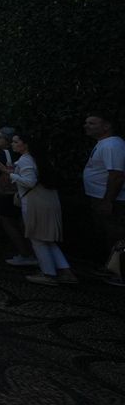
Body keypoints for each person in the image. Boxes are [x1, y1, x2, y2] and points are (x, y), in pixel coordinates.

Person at [0, 131, 76, 286]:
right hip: (47, 201)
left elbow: (29, 182)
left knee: (37, 239)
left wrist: (8, 174)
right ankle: (66, 272)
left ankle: (48, 273)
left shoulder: (26, 160)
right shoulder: (38, 159)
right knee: (48, 240)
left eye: (15, 141)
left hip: (35, 203)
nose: (12, 144)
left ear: (25, 144)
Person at [81, 111, 125, 286]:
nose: (87, 126)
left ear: (106, 126)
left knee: (117, 237)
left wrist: (108, 200)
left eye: (92, 123)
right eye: (87, 123)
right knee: (109, 235)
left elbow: (116, 175)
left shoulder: (112, 145)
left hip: (113, 200)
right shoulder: (104, 144)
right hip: (102, 198)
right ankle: (112, 268)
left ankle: (120, 273)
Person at [0, 128, 34, 266]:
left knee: (8, 222)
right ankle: (29, 252)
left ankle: (25, 253)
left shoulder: (6, 154)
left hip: (8, 193)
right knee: (19, 223)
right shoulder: (20, 155)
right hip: (17, 192)